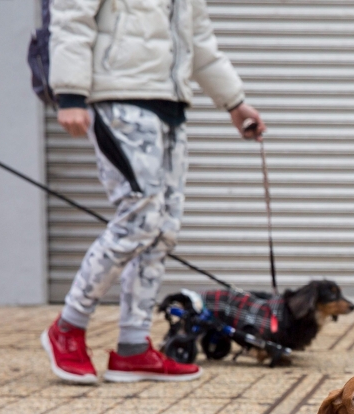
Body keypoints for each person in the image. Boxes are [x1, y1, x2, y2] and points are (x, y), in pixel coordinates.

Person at [40, 0, 265, 383]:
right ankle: (68, 327)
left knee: (163, 230)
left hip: (171, 106)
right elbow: (71, 15)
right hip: (118, 100)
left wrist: (234, 101)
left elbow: (199, 41)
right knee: (138, 221)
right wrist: (70, 92)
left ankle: (132, 347)